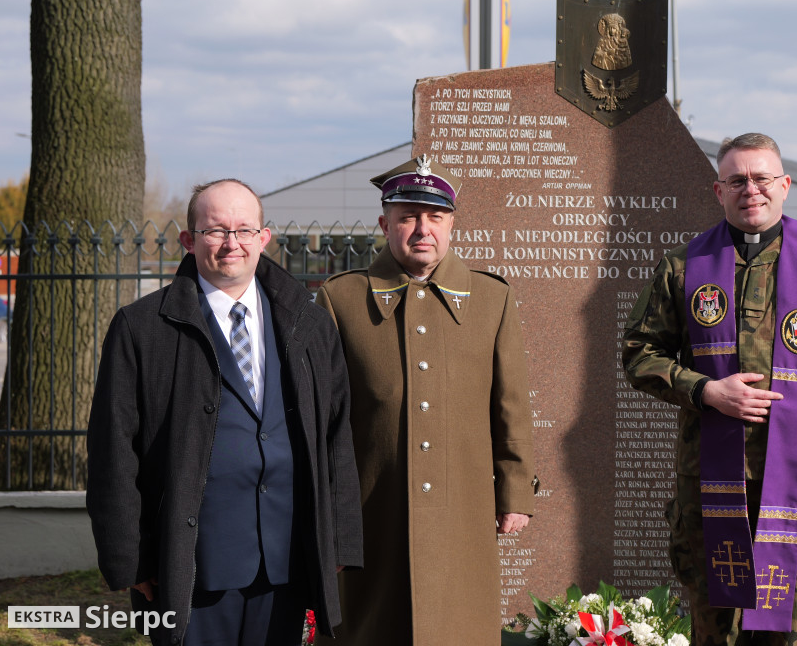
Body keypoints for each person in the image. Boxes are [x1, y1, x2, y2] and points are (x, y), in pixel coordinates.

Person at [622, 133, 797, 645]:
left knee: (789, 627)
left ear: (785, 185)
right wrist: (704, 390)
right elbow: (639, 353)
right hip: (710, 483)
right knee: (714, 627)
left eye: (762, 178)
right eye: (737, 180)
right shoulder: (684, 267)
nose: (751, 189)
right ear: (717, 190)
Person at [87, 179, 363, 646]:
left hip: (287, 559)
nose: (231, 243)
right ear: (189, 241)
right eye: (215, 231)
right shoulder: (141, 329)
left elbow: (336, 436)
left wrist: (338, 539)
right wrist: (129, 558)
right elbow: (113, 451)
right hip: (191, 567)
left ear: (264, 238)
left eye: (243, 230)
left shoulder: (309, 323)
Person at [315, 154, 537, 645]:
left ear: (451, 223)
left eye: (435, 217)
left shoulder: (492, 298)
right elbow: (324, 415)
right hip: (373, 506)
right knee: (372, 627)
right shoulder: (342, 299)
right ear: (384, 223)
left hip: (465, 504)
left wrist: (515, 492)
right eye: (407, 217)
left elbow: (511, 406)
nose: (422, 229)